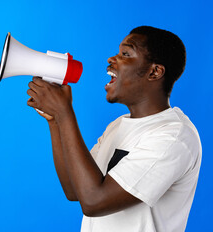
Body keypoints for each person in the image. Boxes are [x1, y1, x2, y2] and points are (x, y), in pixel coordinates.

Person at [26, 26, 201, 232]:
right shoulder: (118, 125)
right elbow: (75, 190)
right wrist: (55, 120)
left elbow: (93, 201)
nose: (111, 59)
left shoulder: (173, 137)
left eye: (126, 54)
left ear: (154, 72)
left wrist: (65, 115)